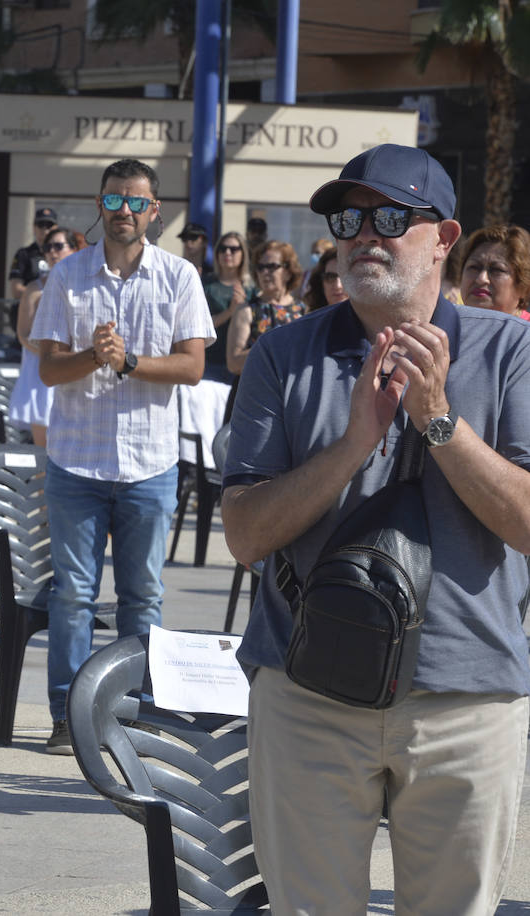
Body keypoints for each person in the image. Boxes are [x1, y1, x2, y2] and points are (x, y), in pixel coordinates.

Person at [222, 142, 530, 914]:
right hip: (308, 696)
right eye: (348, 216)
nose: (364, 233)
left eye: (390, 215)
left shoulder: (511, 352)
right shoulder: (283, 354)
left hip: (466, 700)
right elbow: (245, 535)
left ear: (444, 238)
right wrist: (355, 440)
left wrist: (439, 423)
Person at [30, 158, 214, 755]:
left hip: (149, 463)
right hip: (77, 460)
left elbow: (191, 367)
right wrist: (94, 355)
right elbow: (50, 370)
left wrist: (128, 361)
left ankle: (137, 714)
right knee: (73, 594)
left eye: (136, 203)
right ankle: (66, 716)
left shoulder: (179, 276)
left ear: (154, 211)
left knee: (144, 596)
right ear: (100, 205)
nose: (124, 213)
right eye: (113, 202)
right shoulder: (68, 275)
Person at [7, 227, 78, 447]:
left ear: (74, 249)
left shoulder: (84, 284)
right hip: (41, 371)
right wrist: (53, 355)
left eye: (58, 246)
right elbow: (23, 334)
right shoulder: (34, 288)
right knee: (43, 450)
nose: (52, 252)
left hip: (77, 368)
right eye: (47, 248)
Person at [225, 240, 305, 376]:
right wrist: (274, 348)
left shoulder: (303, 310)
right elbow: (233, 363)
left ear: (288, 272)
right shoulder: (247, 310)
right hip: (255, 392)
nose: (265, 272)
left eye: (272, 266)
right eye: (260, 267)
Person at [200, 231, 255, 383]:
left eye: (233, 249)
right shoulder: (205, 284)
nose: (227, 253)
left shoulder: (252, 288)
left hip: (242, 366)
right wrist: (231, 311)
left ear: (243, 253)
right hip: (210, 363)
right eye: (222, 249)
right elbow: (200, 326)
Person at [459, 224, 530, 318]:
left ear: (524, 288)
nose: (481, 279)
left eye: (497, 270)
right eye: (474, 267)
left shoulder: (525, 331)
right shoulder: (444, 326)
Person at [7, 207, 59, 300]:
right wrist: (46, 297)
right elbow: (16, 290)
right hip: (29, 310)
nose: (45, 230)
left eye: (49, 225)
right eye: (41, 225)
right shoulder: (24, 254)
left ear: (56, 228)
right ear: (34, 228)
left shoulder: (62, 254)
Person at [302, 246, 346, 311]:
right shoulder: (312, 320)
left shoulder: (366, 320)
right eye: (330, 277)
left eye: (345, 276)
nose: (338, 286)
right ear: (321, 284)